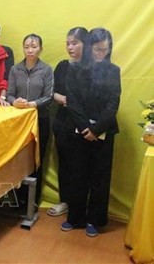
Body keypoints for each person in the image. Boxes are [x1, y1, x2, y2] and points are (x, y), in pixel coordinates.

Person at [61, 28, 121, 237]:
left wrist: (96, 129)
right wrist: (85, 126)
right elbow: (73, 101)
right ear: (88, 47)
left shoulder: (113, 70)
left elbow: (113, 103)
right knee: (77, 175)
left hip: (104, 132)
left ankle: (95, 220)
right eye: (96, 49)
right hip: (79, 130)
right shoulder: (76, 69)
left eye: (105, 49)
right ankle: (75, 217)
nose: (100, 53)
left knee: (100, 178)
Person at [6, 33, 54, 205]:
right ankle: (17, 199)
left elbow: (49, 96)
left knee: (36, 160)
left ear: (40, 48)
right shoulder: (15, 69)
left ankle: (33, 201)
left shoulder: (46, 70)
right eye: (27, 47)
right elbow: (10, 94)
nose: (30, 50)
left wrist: (33, 104)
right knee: (18, 159)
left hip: (40, 120)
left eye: (34, 47)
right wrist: (15, 102)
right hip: (19, 122)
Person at [47, 27, 89, 217]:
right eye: (68, 43)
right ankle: (65, 201)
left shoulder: (91, 68)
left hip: (83, 124)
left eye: (74, 43)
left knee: (81, 165)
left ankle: (80, 205)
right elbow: (52, 92)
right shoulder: (63, 66)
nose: (70, 47)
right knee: (64, 163)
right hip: (62, 121)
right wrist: (63, 99)